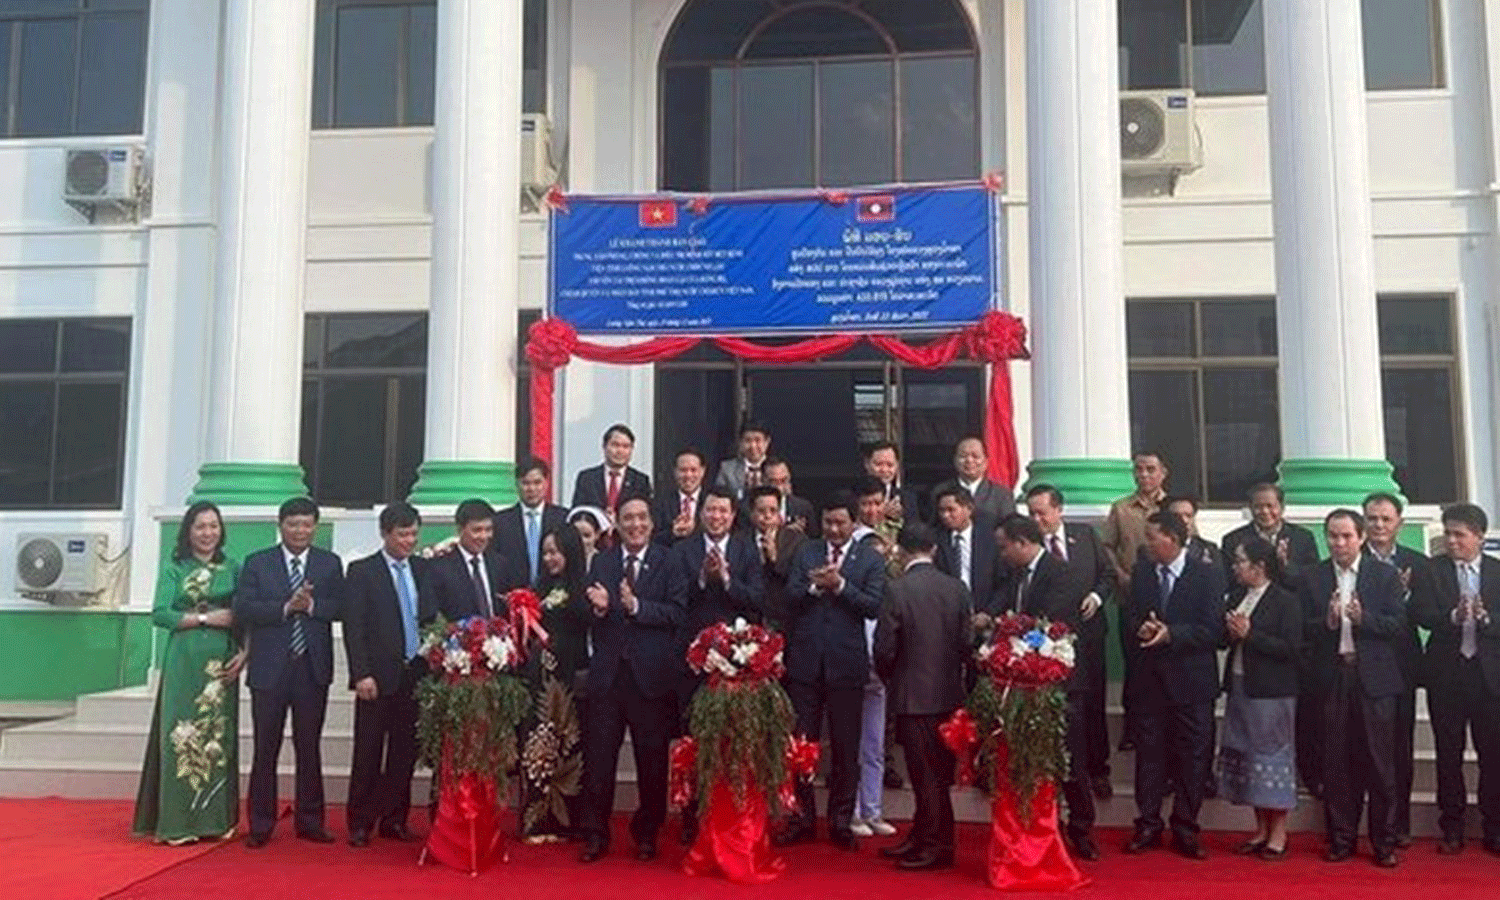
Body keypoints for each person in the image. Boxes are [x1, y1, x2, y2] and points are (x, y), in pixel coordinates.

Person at [577, 494, 686, 864]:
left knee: (652, 762)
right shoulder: (603, 561)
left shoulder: (669, 562)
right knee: (599, 761)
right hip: (608, 677)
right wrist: (599, 608)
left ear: (652, 524)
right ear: (617, 523)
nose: (635, 525)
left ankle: (647, 832)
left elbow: (677, 613)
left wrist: (637, 607)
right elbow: (586, 615)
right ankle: (595, 833)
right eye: (628, 518)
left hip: (651, 678)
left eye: (641, 518)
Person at [776, 494, 886, 851]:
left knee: (845, 745)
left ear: (853, 523)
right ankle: (802, 817)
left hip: (847, 666)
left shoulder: (869, 557)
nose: (834, 529)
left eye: (840, 523)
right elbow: (790, 596)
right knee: (802, 745)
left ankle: (841, 820)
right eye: (828, 523)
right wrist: (814, 586)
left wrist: (839, 586)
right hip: (806, 664)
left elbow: (873, 605)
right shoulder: (807, 552)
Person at [235, 497, 345, 848]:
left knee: (309, 746)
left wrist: (311, 606)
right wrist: (285, 607)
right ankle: (261, 824)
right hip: (270, 669)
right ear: (281, 526)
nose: (300, 530)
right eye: (293, 524)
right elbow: (244, 607)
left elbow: (342, 606)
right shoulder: (258, 563)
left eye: (307, 524)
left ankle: (311, 821)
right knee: (265, 748)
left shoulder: (329, 564)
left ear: (316, 526)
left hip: (311, 668)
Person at [133, 502, 246, 844]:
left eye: (213, 526)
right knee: (181, 736)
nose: (208, 533)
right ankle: (177, 823)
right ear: (188, 531)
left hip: (222, 663)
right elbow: (161, 614)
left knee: (218, 735)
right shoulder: (174, 569)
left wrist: (245, 654)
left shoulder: (233, 568)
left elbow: (245, 613)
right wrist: (205, 618)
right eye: (200, 527)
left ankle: (214, 821)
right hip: (184, 661)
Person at [1301, 509, 1405, 867]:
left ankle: (1383, 842)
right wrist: (1327, 622)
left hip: (1374, 680)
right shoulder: (1312, 578)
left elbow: (1397, 626)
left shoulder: (1385, 576)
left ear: (1361, 537)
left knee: (1379, 764)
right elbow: (1301, 629)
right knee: (1336, 763)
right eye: (1332, 536)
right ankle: (1341, 838)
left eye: (1346, 536)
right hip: (1331, 678)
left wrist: (1365, 620)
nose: (1339, 543)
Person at [992, 514, 1098, 860]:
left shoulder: (1061, 572)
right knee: (1032, 761)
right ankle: (1038, 825)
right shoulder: (1015, 574)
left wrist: (1011, 628)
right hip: (1024, 684)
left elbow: (1053, 621)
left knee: (1070, 759)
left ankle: (1081, 828)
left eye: (1005, 546)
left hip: (1059, 683)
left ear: (1023, 542)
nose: (1002, 554)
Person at [1123, 511, 1225, 861]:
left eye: (1152, 537)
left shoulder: (1208, 575)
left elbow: (1213, 630)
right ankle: (1147, 823)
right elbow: (1131, 614)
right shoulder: (1142, 572)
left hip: (1192, 684)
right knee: (1149, 756)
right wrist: (1143, 628)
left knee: (1193, 758)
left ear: (1172, 538)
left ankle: (1186, 826)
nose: (1146, 544)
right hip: (1150, 683)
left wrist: (1172, 635)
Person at [872, 522, 971, 871]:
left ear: (901, 550)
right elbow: (966, 643)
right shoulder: (956, 588)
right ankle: (926, 835)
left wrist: (892, 677)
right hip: (948, 693)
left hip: (913, 695)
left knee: (924, 775)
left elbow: (884, 647)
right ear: (932, 549)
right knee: (938, 774)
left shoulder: (897, 589)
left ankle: (936, 844)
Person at [672, 487, 765, 844]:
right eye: (710, 510)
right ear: (701, 514)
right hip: (693, 662)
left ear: (732, 515)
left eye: (722, 511)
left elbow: (757, 600)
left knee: (731, 742)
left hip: (735, 663)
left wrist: (726, 578)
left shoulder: (746, 550)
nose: (716, 517)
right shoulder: (683, 551)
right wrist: (702, 577)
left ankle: (731, 813)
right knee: (694, 740)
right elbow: (677, 600)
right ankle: (692, 815)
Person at [342, 501, 435, 847]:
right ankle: (360, 821)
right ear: (385, 534)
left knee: (404, 752)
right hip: (376, 678)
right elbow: (355, 627)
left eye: (413, 533)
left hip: (415, 675)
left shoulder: (424, 570)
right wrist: (361, 673)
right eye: (402, 534)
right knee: (368, 751)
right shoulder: (362, 572)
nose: (409, 541)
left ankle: (394, 819)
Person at [1411, 503, 1500, 855]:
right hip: (1446, 674)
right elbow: (1418, 613)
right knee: (1448, 755)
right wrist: (1452, 615)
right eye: (1447, 533)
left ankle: (1493, 826)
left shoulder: (1496, 572)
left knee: (1492, 755)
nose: (1451, 541)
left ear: (1479, 536)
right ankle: (1452, 827)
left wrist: (1487, 618)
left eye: (1459, 534)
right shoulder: (1431, 570)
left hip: (1489, 676)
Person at [1024, 484, 1112, 800]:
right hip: (1048, 644)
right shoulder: (1031, 547)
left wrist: (1097, 596)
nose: (1037, 520)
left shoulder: (1085, 536)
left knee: (1092, 704)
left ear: (1058, 510)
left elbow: (1107, 575)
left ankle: (1097, 769)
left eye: (1042, 513)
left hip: (1087, 636)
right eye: (1031, 513)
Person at [1217, 536, 1303, 861]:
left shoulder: (1285, 601)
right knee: (1248, 757)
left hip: (1272, 691)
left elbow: (1292, 648)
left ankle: (1279, 832)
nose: (1235, 567)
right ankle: (1260, 829)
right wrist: (1230, 631)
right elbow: (1227, 638)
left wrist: (1250, 635)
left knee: (1271, 757)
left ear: (1260, 566)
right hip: (1240, 686)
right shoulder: (1238, 595)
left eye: (1240, 561)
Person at [1362, 490, 1434, 848]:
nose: (1378, 525)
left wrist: (1402, 597)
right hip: (1358, 667)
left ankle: (1397, 823)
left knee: (1398, 748)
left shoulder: (1417, 563)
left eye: (1385, 519)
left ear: (1399, 524)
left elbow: (1425, 615)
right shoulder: (1349, 557)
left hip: (1401, 665)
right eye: (1372, 518)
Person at [519, 523, 592, 842]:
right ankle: (536, 821)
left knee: (568, 745)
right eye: (546, 552)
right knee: (537, 747)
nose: (551, 559)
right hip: (539, 679)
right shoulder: (538, 587)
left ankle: (566, 822)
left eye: (557, 552)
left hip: (569, 677)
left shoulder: (584, 587)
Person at [1102, 451, 1168, 754]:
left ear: (1163, 473)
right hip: (1132, 597)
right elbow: (1107, 547)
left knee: (1163, 665)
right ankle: (1132, 728)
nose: (1144, 475)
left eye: (1150, 469)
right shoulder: (1121, 508)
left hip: (1167, 597)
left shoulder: (1173, 508)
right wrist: (1120, 574)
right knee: (1135, 665)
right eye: (1139, 470)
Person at [426, 498, 523, 621]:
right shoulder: (440, 569)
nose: (483, 537)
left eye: (488, 530)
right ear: (460, 529)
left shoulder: (500, 565)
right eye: (477, 530)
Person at [1221, 483, 1320, 589]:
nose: (1264, 511)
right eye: (1258, 507)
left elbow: (1312, 579)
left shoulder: (1302, 538)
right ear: (1250, 508)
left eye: (1270, 506)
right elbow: (1229, 581)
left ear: (1281, 507)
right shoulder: (1233, 540)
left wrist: (1285, 565)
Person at [493, 459, 569, 588]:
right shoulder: (500, 521)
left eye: (537, 482)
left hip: (555, 594)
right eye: (526, 483)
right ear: (517, 484)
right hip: (512, 595)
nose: (531, 489)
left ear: (546, 483)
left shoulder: (562, 517)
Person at [746, 484, 806, 631]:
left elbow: (798, 579)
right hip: (749, 616)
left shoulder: (796, 540)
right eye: (761, 511)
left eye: (773, 510)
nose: (767, 516)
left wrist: (775, 559)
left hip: (784, 618)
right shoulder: (740, 539)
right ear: (751, 513)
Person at [933, 485, 1000, 612]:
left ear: (969, 509)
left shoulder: (990, 539)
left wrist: (989, 613)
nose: (945, 516)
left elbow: (1003, 581)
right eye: (941, 510)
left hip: (983, 612)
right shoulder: (936, 540)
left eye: (951, 510)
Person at [571, 423, 652, 517]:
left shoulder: (640, 480)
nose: (620, 451)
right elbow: (577, 512)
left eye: (626, 446)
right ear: (604, 446)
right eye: (615, 445)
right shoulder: (587, 478)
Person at [927, 436, 1014, 523]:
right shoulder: (940, 490)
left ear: (986, 462)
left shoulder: (1002, 495)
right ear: (955, 461)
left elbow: (1008, 529)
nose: (969, 460)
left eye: (975, 456)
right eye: (963, 456)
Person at [651, 447, 707, 547]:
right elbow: (652, 537)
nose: (688, 475)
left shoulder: (710, 500)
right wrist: (673, 532)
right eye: (683, 470)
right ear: (675, 472)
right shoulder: (660, 502)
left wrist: (695, 529)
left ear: (702, 471)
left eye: (693, 470)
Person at [864, 440, 920, 528]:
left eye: (890, 465)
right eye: (878, 464)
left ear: (897, 466)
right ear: (867, 464)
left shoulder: (907, 498)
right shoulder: (855, 495)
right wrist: (881, 514)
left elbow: (915, 530)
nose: (884, 470)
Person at [714, 420, 772, 499]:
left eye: (757, 440)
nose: (753, 446)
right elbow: (719, 497)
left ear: (767, 442)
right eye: (748, 441)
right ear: (740, 443)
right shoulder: (727, 468)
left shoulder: (777, 468)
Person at [759, 456, 816, 535]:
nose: (779, 487)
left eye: (783, 480)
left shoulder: (803, 508)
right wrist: (785, 532)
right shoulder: (747, 508)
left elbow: (813, 540)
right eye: (773, 482)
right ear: (762, 481)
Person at [1164, 495, 1222, 570]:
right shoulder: (1155, 550)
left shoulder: (1209, 550)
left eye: (1188, 516)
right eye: (1177, 516)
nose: (1184, 521)